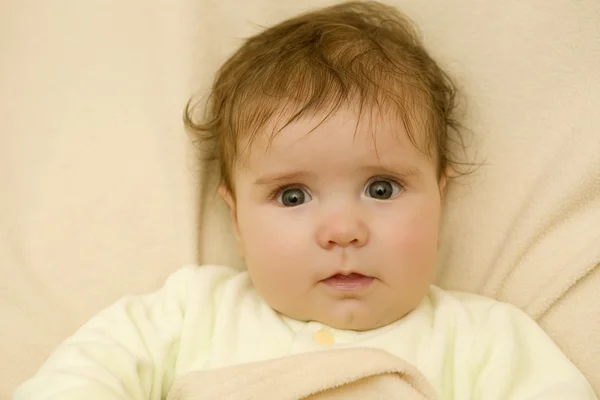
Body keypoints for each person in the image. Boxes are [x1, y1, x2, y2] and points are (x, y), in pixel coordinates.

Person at [14, 1, 596, 399]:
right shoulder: (189, 312)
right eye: (292, 195)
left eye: (382, 188)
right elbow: (80, 378)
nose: (343, 229)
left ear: (440, 195)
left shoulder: (484, 339)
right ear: (235, 217)